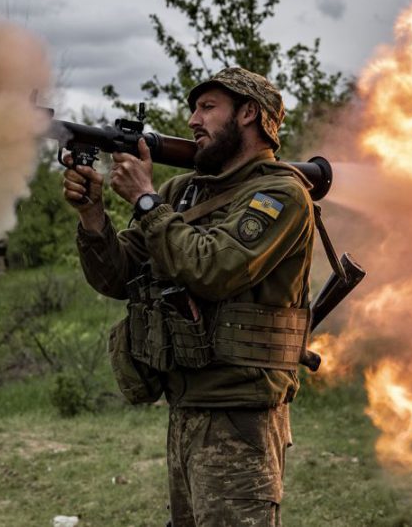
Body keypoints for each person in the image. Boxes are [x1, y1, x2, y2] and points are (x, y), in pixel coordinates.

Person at [63, 68, 315, 527]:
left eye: (207, 107)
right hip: (187, 407)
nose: (193, 120)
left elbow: (214, 268)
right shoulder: (183, 192)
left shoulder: (281, 194)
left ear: (248, 114)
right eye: (194, 108)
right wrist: (92, 215)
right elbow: (121, 278)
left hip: (241, 415)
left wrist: (144, 199)